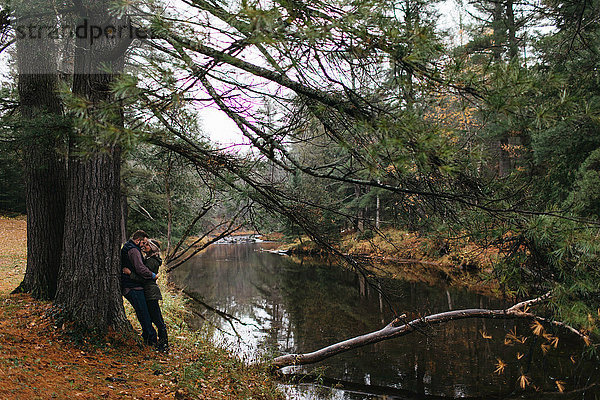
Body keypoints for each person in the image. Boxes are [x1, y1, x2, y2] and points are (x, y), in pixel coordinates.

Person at [123, 239, 169, 352]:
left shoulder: (151, 261)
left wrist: (130, 274)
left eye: (148, 245)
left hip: (151, 292)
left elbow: (144, 279)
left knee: (157, 318)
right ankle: (157, 341)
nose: (145, 246)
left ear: (153, 248)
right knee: (152, 317)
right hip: (148, 292)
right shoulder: (149, 259)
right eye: (145, 244)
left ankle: (164, 344)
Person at [121, 230, 158, 346]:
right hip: (132, 287)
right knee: (144, 314)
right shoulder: (133, 250)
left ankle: (148, 338)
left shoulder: (129, 246)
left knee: (143, 313)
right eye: (144, 243)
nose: (144, 245)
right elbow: (140, 268)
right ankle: (151, 341)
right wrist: (153, 275)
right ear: (138, 240)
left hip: (133, 285)